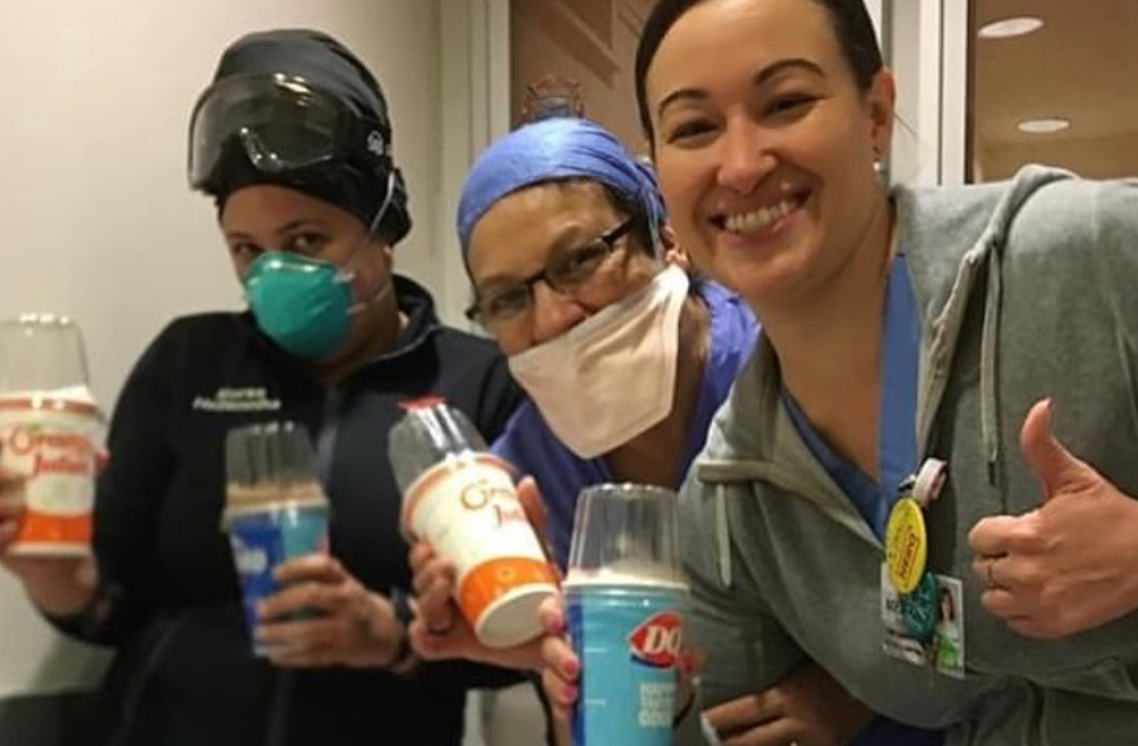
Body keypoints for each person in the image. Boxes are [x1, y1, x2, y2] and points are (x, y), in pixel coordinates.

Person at [542, 0, 1138, 743]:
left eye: (786, 103)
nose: (742, 163)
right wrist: (597, 677)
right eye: (694, 128)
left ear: (877, 114)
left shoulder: (1087, 255)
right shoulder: (735, 498)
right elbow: (702, 726)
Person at [0, 29, 522, 746]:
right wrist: (54, 574)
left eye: (307, 241)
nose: (272, 273)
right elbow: (112, 606)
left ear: (383, 226)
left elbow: (529, 631)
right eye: (246, 249)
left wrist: (395, 632)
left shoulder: (478, 382)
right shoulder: (188, 363)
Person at [409, 116, 941, 745]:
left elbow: (959, 575)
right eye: (506, 300)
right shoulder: (526, 480)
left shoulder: (794, 371)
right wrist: (533, 645)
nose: (552, 319)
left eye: (580, 260)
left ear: (666, 239)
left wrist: (857, 693)